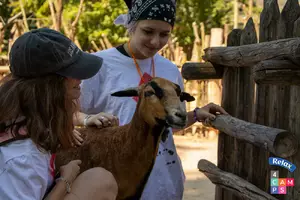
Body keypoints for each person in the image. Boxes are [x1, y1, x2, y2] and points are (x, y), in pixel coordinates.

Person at [78, 0, 228, 199]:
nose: (156, 42)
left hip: (163, 180)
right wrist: (88, 119)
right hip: (114, 180)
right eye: (148, 31)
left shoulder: (169, 70)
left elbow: (168, 126)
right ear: (131, 26)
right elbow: (70, 115)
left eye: (164, 34)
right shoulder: (99, 65)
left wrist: (196, 114)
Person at [0, 28, 118, 200]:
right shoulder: (23, 159)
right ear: (50, 86)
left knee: (100, 179)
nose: (80, 80)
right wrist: (65, 180)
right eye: (73, 73)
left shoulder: (22, 118)